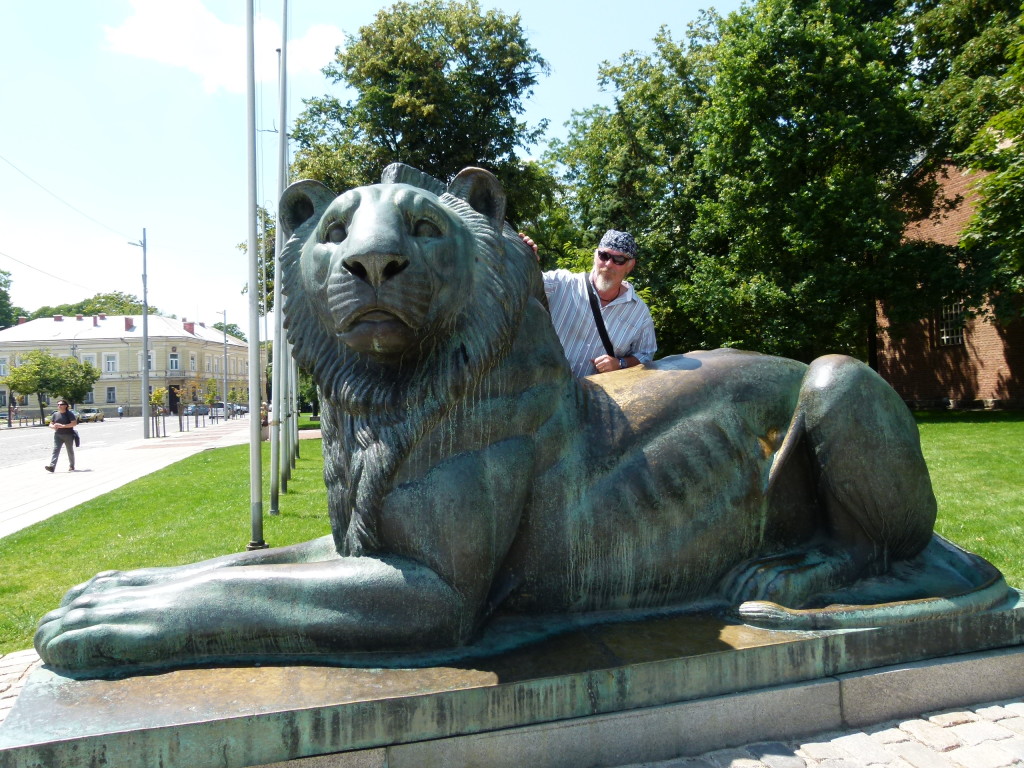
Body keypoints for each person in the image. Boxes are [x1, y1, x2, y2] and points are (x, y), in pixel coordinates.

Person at [528, 229, 657, 378]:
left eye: (619, 260)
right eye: (604, 255)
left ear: (630, 265)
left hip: (593, 398)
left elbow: (646, 356)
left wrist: (620, 363)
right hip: (543, 388)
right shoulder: (560, 283)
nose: (608, 264)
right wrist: (525, 256)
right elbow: (520, 284)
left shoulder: (639, 313)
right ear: (595, 255)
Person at [45, 399, 78, 472]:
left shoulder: (69, 414)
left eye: (61, 404)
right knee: (55, 450)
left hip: (68, 435)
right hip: (58, 435)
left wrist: (63, 426)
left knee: (69, 450)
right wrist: (52, 426)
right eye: (58, 405)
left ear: (65, 406)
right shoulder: (55, 414)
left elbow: (74, 423)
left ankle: (71, 466)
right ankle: (52, 467)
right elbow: (51, 423)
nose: (59, 406)